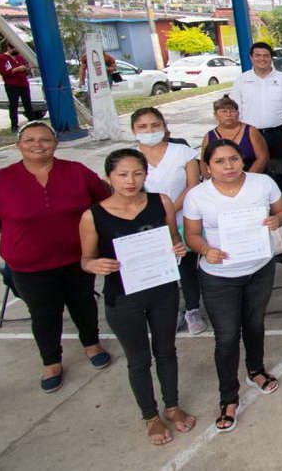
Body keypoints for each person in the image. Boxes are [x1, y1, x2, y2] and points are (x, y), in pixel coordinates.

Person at [0, 122, 112, 391]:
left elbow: (103, 201)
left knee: (83, 304)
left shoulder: (77, 172)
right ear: (18, 145)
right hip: (30, 266)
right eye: (29, 140)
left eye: (44, 139)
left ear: (55, 143)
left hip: (78, 258)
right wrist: (13, 231)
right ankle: (51, 361)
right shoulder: (0, 180)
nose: (37, 145)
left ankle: (92, 344)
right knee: (43, 314)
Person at [80, 149, 196, 444]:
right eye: (122, 174)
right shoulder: (93, 216)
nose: (130, 181)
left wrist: (178, 248)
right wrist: (95, 265)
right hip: (123, 297)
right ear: (109, 177)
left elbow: (174, 239)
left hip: (162, 290)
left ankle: (172, 406)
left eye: (137, 174)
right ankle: (150, 416)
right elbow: (86, 259)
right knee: (138, 359)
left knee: (166, 351)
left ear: (146, 175)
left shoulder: (161, 202)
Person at [182, 139, 282, 432]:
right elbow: (191, 234)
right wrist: (205, 250)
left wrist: (276, 220)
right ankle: (228, 397)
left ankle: (255, 370)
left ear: (242, 160)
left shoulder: (262, 183)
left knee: (255, 324)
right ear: (207, 166)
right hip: (219, 276)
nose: (228, 166)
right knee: (227, 337)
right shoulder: (198, 196)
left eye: (233, 158)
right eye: (219, 161)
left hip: (259, 268)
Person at [132, 107, 205, 335]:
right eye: (143, 127)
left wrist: (169, 211)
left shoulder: (183, 152)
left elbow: (192, 186)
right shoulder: (130, 158)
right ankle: (169, 311)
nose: (150, 130)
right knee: (161, 270)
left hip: (183, 219)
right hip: (147, 224)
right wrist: (155, 215)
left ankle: (192, 309)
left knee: (186, 267)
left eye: (155, 125)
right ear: (133, 130)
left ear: (164, 126)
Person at [229, 42, 282, 187]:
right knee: (252, 171)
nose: (262, 59)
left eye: (266, 55)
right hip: (250, 134)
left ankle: (279, 197)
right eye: (258, 55)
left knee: (279, 170)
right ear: (251, 57)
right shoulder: (242, 80)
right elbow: (235, 109)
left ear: (271, 58)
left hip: (278, 133)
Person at [203, 96, 269, 175]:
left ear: (238, 113)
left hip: (250, 176)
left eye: (232, 111)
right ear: (215, 115)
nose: (228, 114)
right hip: (220, 179)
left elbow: (262, 158)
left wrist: (247, 178)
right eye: (224, 111)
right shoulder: (209, 136)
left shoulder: (251, 131)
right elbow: (204, 163)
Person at [0, 41, 36, 132]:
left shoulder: (20, 57)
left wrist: (26, 69)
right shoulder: (2, 58)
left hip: (23, 83)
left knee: (28, 103)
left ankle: (32, 122)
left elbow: (26, 70)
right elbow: (3, 72)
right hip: (12, 85)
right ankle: (14, 126)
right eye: (14, 49)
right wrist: (16, 69)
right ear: (9, 48)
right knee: (13, 105)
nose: (16, 51)